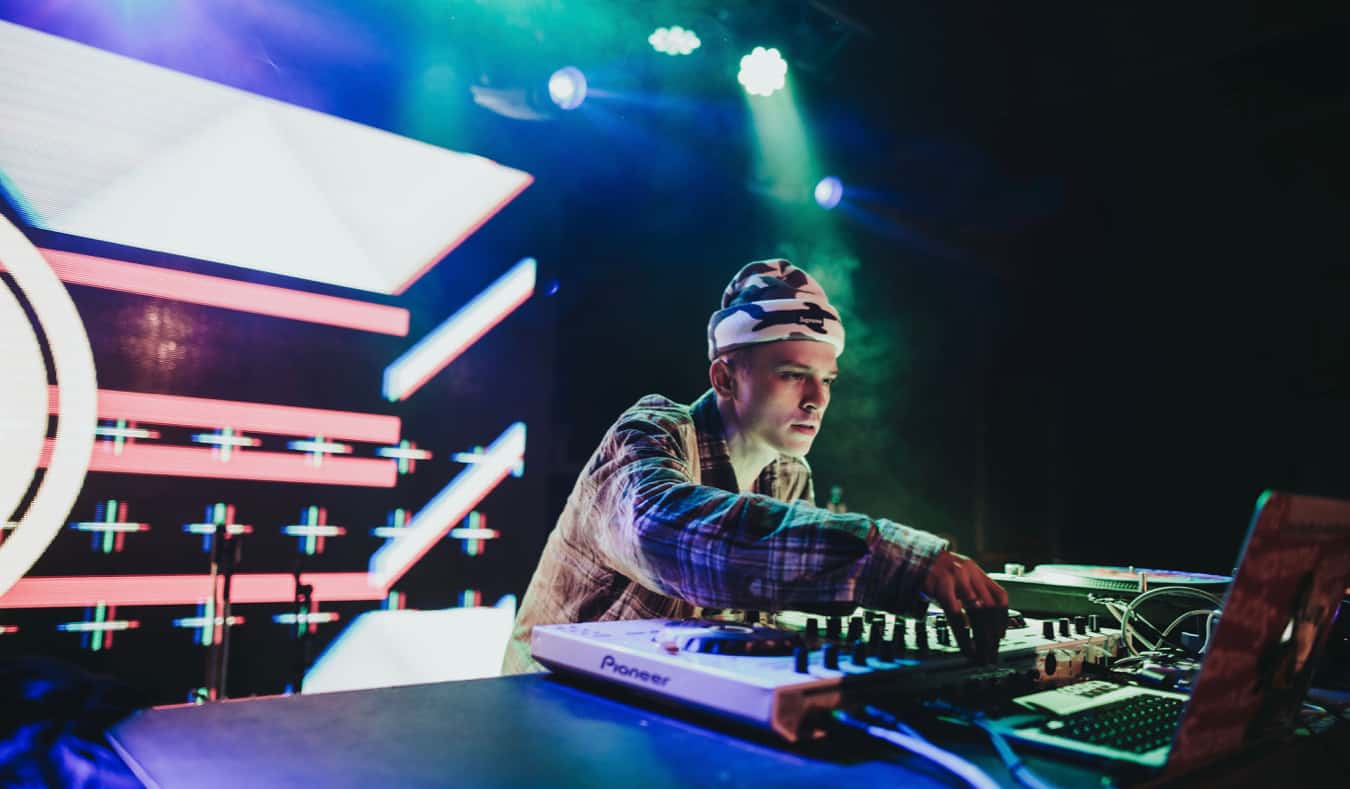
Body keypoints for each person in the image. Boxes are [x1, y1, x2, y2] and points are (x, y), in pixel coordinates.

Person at [503, 259, 1006, 674]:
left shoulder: (787, 475)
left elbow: (782, 594)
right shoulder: (651, 430)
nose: (817, 400)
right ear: (724, 378)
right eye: (793, 375)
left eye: (827, 380)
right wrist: (893, 557)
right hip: (546, 705)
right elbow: (663, 535)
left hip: (665, 708)